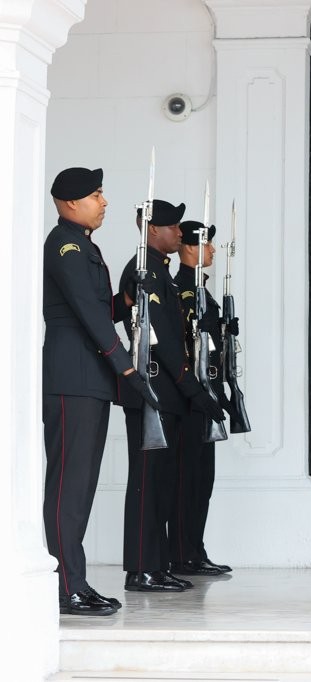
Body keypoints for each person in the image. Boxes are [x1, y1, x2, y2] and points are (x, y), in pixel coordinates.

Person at [42, 167, 158, 616]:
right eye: (96, 195)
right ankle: (65, 586)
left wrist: (126, 299)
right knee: (69, 487)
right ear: (71, 203)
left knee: (82, 486)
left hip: (88, 380)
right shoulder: (67, 246)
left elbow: (99, 310)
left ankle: (77, 581)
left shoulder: (83, 245)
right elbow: (88, 320)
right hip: (73, 379)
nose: (104, 202)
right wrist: (125, 365)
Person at [116, 200, 225, 593]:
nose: (179, 235)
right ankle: (142, 568)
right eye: (173, 227)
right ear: (153, 229)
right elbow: (161, 342)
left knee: (160, 484)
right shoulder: (144, 269)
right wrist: (191, 387)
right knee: (147, 484)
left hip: (166, 393)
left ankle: (156, 563)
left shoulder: (158, 270)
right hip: (154, 391)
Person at [169, 220, 234, 576]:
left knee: (202, 480)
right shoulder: (182, 289)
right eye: (207, 245)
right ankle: (181, 552)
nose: (212, 251)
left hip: (206, 395)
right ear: (190, 248)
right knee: (187, 480)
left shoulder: (202, 291)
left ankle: (194, 549)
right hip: (189, 399)